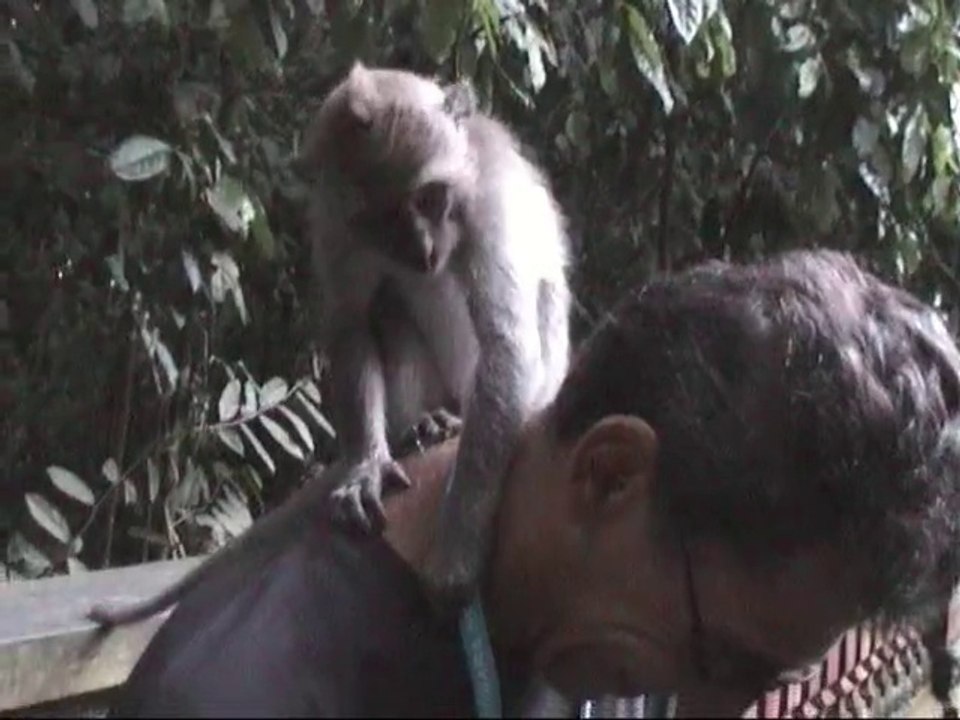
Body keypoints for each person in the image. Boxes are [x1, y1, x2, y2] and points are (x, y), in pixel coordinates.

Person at [113, 249, 960, 717]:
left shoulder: (597, 631)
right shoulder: (251, 695)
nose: (720, 712)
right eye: (723, 662)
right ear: (609, 474)